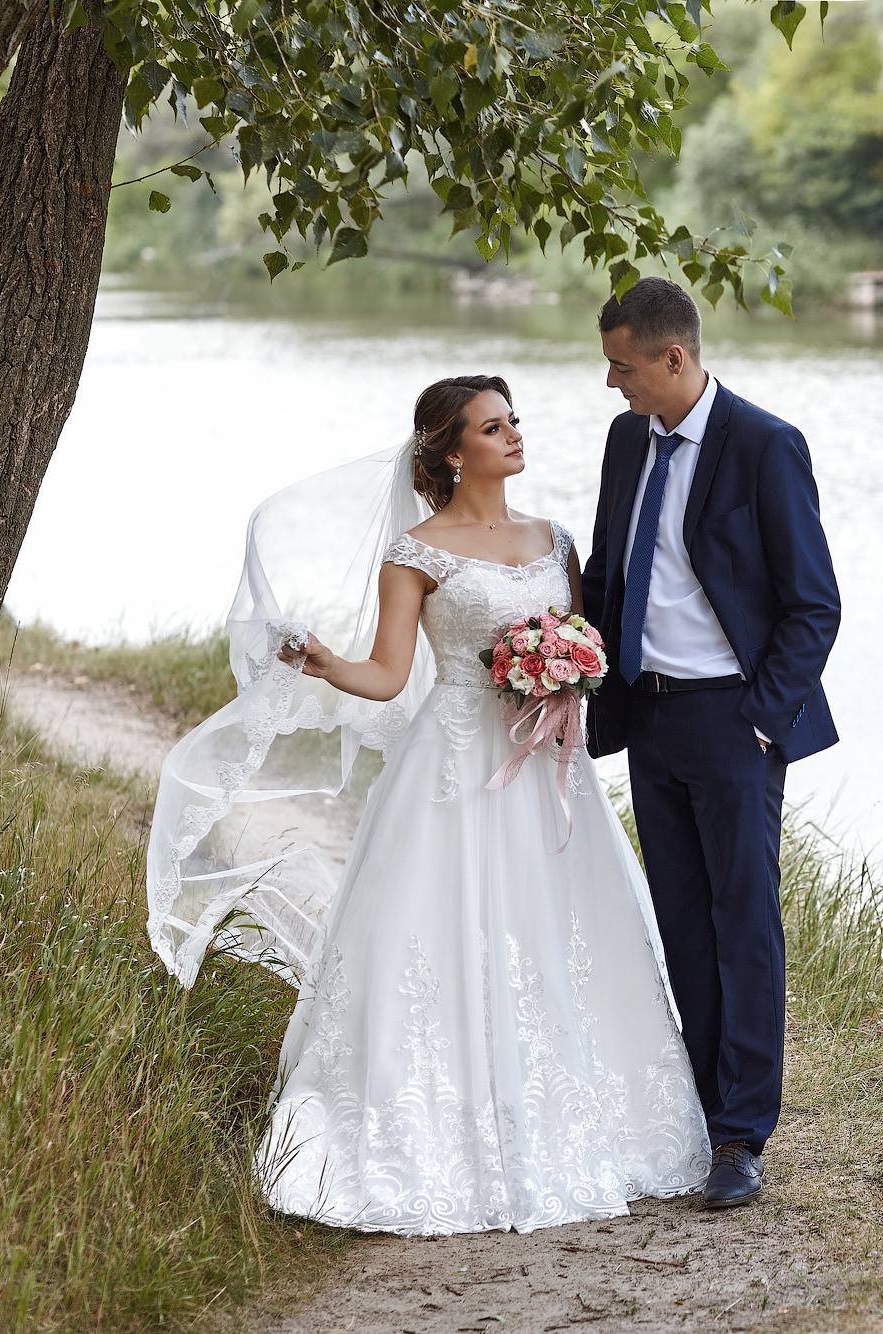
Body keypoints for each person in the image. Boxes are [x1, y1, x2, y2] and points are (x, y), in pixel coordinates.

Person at [237, 375, 711, 1234]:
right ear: (454, 452)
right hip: (455, 766)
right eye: (495, 428)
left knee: (563, 928)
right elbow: (385, 677)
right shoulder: (416, 554)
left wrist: (570, 673)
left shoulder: (556, 538)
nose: (515, 436)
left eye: (515, 421)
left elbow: (586, 643)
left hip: (547, 771)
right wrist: (320, 660)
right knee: (442, 933)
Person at [582, 278, 842, 1209]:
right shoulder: (626, 441)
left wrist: (764, 719)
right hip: (648, 716)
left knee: (744, 925)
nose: (611, 382)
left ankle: (741, 1134)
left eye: (622, 365)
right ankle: (693, 1109)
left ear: (673, 358)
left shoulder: (766, 447)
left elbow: (815, 602)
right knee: (682, 923)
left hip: (735, 721)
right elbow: (613, 567)